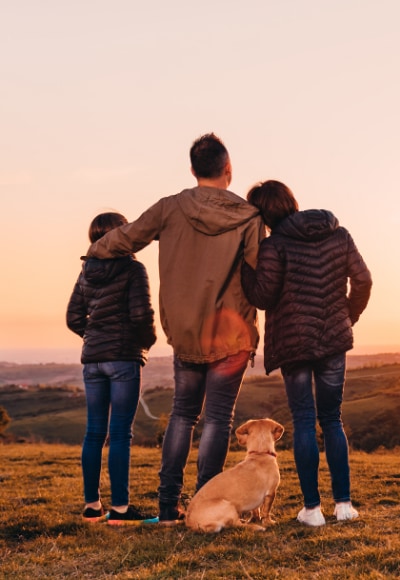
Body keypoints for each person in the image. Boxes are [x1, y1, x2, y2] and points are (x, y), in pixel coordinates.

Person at [86, 133, 263, 526]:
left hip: (184, 334)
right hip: (231, 337)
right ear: (228, 170)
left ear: (192, 170)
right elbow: (261, 278)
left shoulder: (169, 208)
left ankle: (168, 507)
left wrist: (95, 253)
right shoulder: (249, 218)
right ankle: (205, 501)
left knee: (183, 415)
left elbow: (127, 237)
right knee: (218, 419)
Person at [241, 180, 372, 527]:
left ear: (264, 215)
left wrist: (244, 267)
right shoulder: (338, 235)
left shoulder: (274, 246)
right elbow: (364, 280)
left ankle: (311, 510)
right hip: (333, 341)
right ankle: (343, 505)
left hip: (294, 343)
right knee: (332, 419)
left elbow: (263, 297)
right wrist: (346, 317)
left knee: (303, 421)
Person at [66, 212, 158, 525]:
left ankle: (92, 506)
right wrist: (147, 343)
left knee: (94, 432)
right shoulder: (134, 269)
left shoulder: (86, 272)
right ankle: (120, 510)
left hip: (92, 360)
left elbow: (73, 318)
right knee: (120, 434)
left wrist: (95, 340)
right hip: (123, 359)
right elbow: (141, 315)